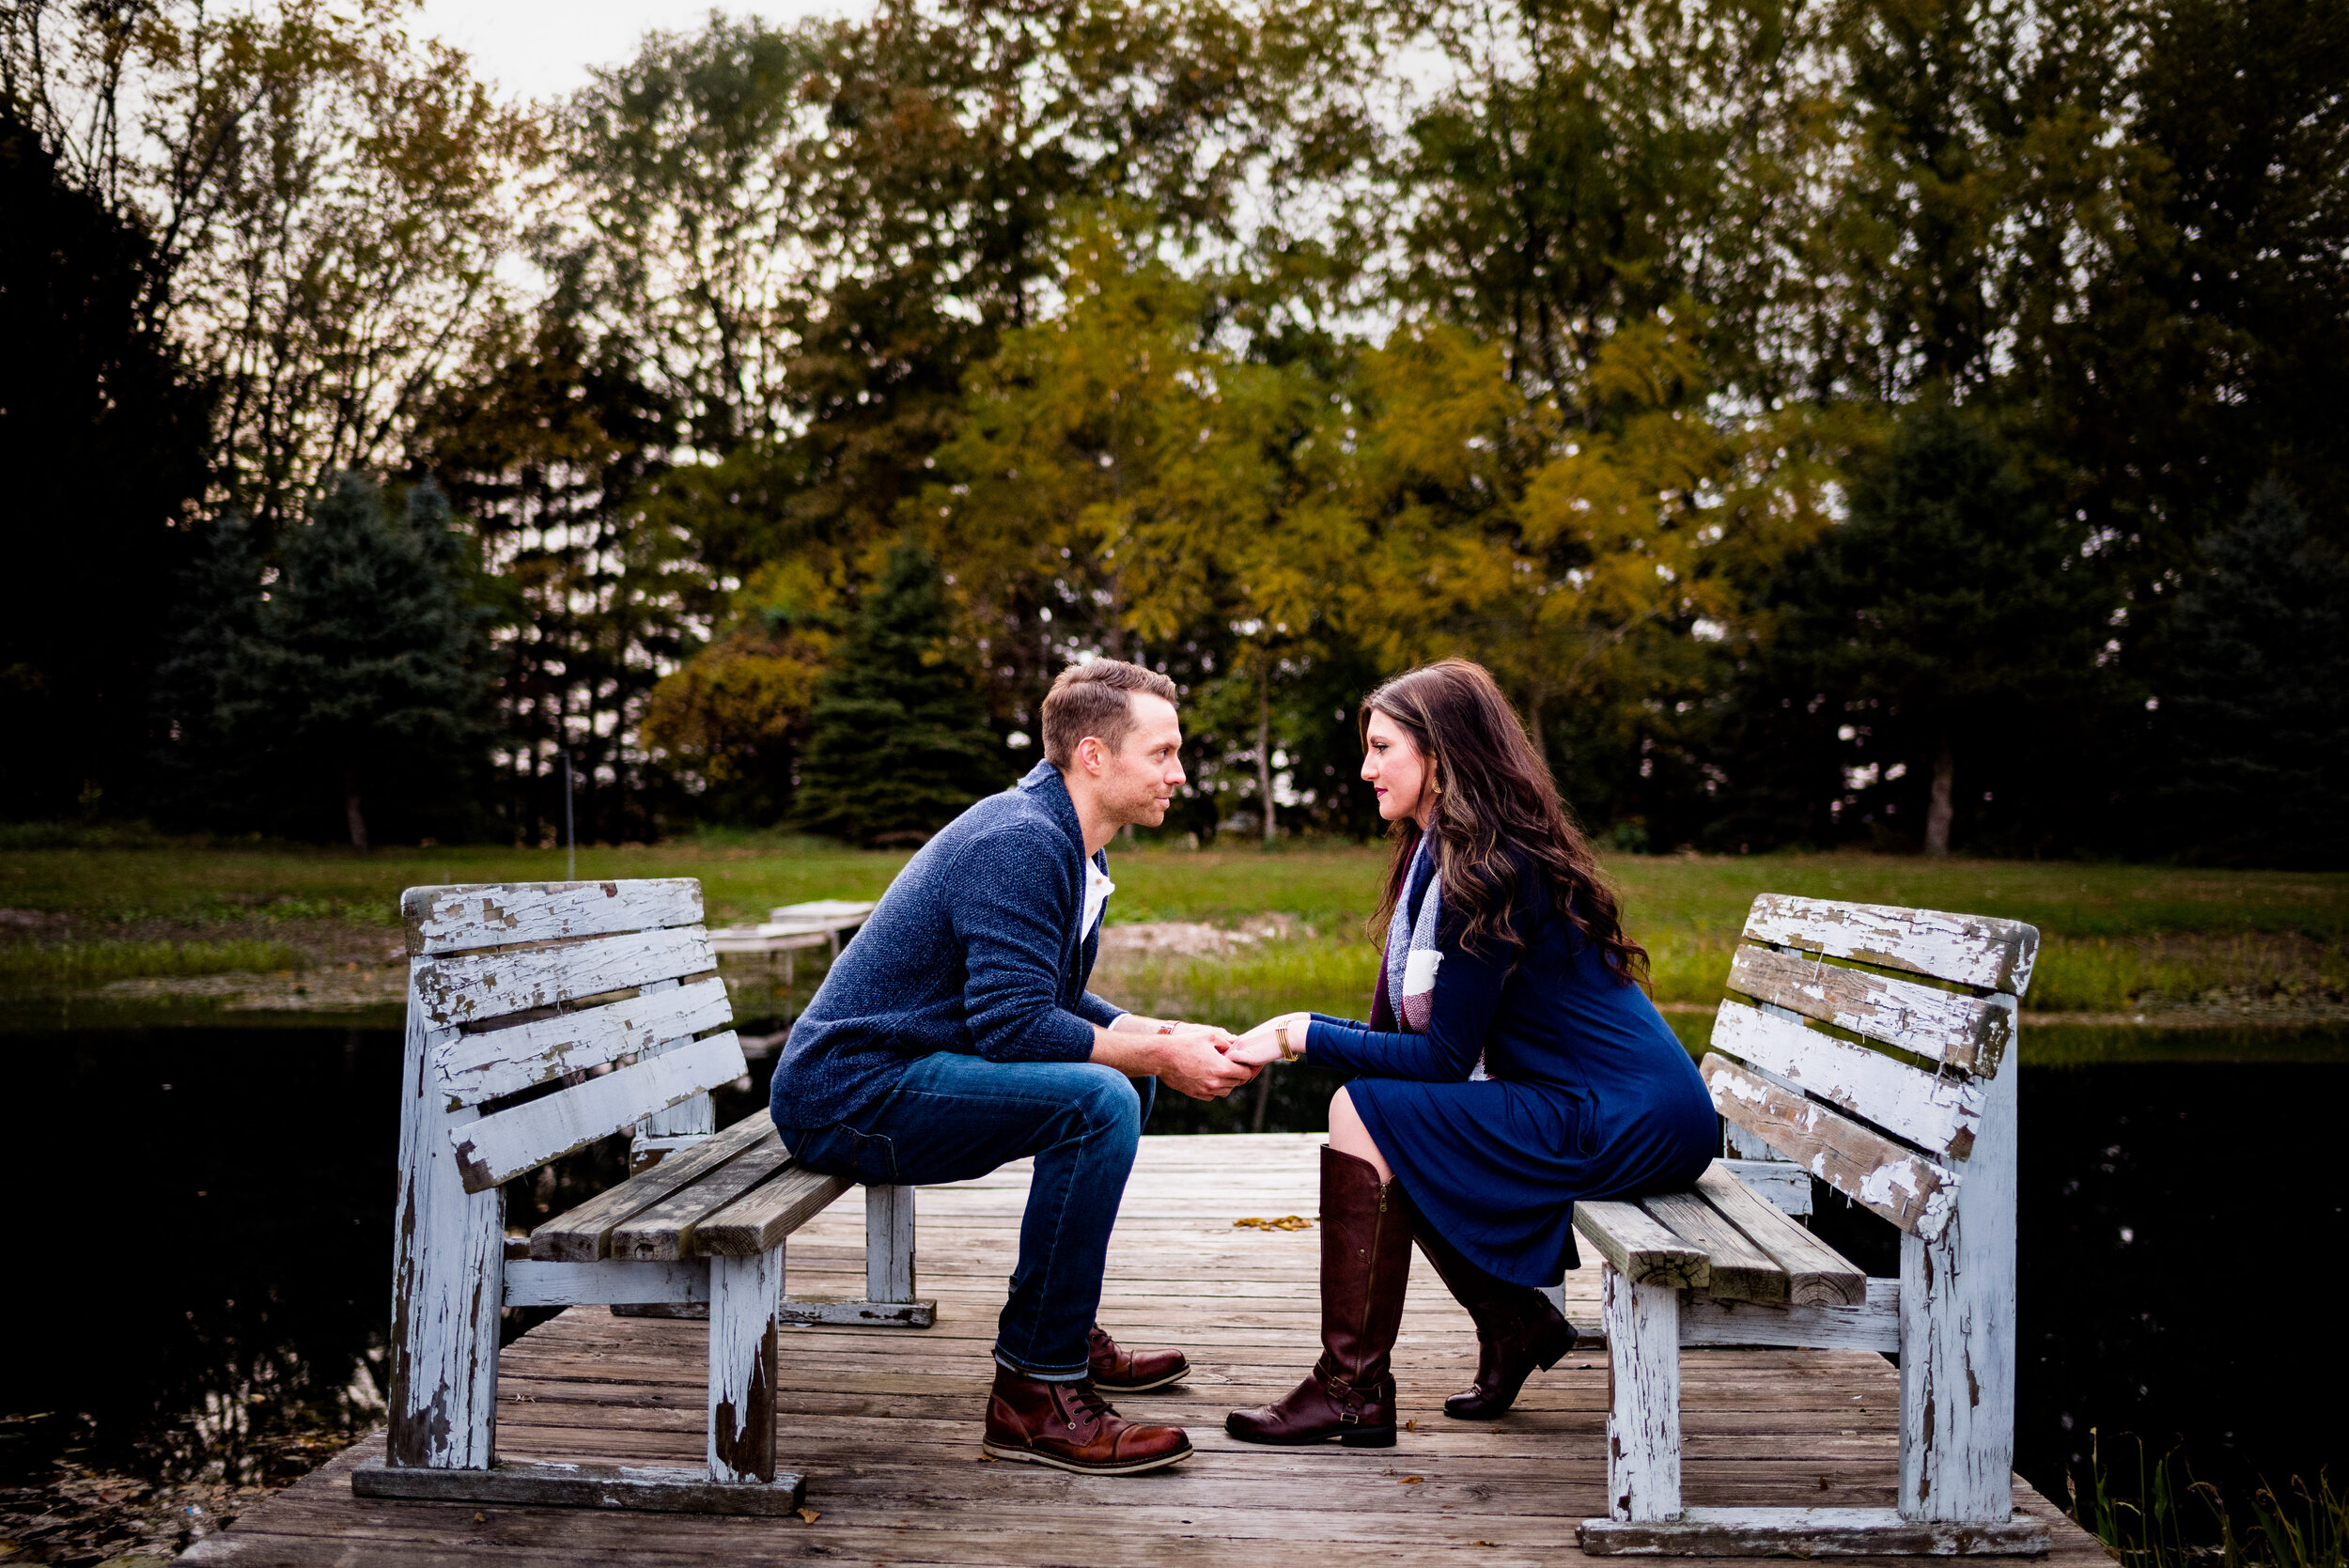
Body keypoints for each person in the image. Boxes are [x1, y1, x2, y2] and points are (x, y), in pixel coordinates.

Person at [768, 659, 1256, 1476]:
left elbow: (1045, 993)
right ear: (1095, 756)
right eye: (1163, 753)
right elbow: (1015, 1025)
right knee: (1103, 1097)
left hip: (900, 1069)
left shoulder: (1063, 837)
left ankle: (1055, 1331)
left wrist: (1159, 1032)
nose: (1180, 774)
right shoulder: (1022, 841)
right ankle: (1032, 1392)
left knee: (1122, 1076)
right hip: (849, 1092)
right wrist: (1156, 1054)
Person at [1221, 659, 1717, 1449]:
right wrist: (1282, 1043)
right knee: (1383, 1115)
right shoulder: (1439, 856)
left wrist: (1299, 1033)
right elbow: (1399, 1047)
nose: (1365, 767)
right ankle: (1511, 1324)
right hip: (1603, 1101)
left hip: (1630, 1115)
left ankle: (1352, 1389)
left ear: (1440, 756)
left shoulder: (1488, 869)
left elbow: (1443, 1062)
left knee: (1368, 1112)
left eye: (1383, 747)